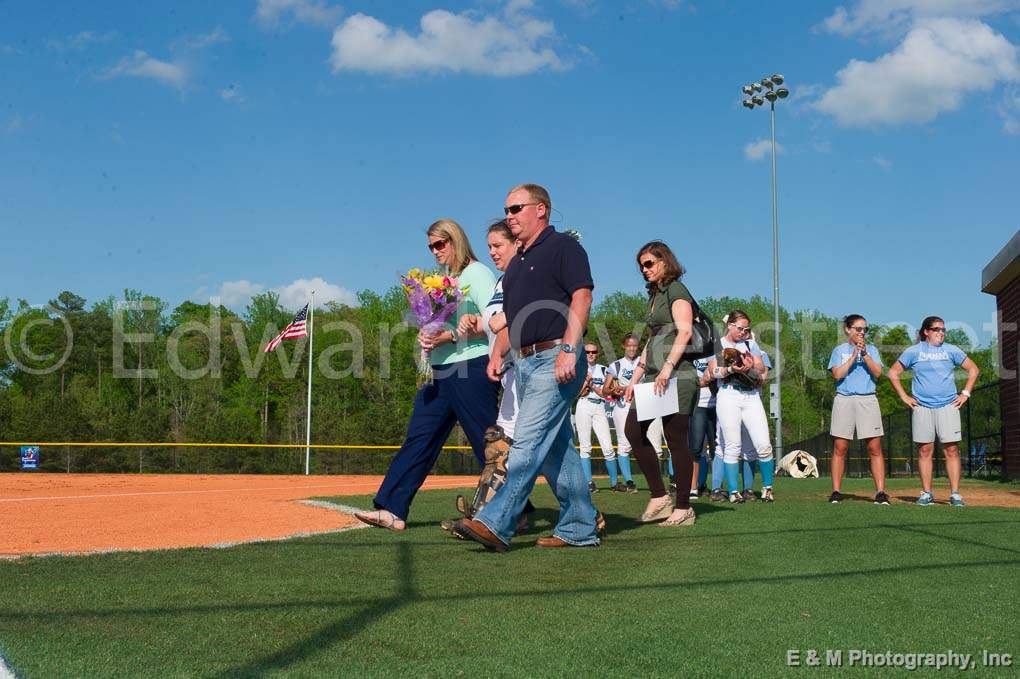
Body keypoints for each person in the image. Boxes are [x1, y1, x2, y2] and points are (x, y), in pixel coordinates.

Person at [453, 183, 601, 550]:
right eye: (507, 209)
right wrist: (498, 352)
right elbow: (512, 317)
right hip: (524, 362)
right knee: (556, 450)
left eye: (517, 208)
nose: (510, 216)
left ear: (541, 209)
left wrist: (570, 348)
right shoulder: (516, 265)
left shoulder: (565, 247)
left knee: (527, 444)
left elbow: (583, 296)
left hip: (556, 356)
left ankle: (495, 523)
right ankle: (580, 525)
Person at [355, 220, 498, 531]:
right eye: (431, 247)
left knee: (486, 442)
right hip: (441, 370)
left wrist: (449, 337)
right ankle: (392, 508)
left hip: (472, 367)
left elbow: (497, 319)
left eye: (440, 244)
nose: (435, 251)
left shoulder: (477, 273)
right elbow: (444, 324)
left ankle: (516, 508)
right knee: (420, 437)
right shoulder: (443, 281)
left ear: (456, 241)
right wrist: (429, 334)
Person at [443, 220, 536, 532]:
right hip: (512, 373)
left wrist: (494, 350)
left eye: (498, 246)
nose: (492, 253)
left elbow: (513, 321)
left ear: (516, 244)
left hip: (532, 368)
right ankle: (487, 517)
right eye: (490, 247)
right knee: (499, 449)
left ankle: (586, 515)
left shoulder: (523, 276)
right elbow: (494, 320)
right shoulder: (503, 281)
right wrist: (476, 320)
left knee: (547, 451)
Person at [623, 241, 700, 527]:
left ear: (665, 262)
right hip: (657, 377)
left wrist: (667, 367)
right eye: (641, 265)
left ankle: (683, 508)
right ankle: (659, 496)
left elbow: (685, 332)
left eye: (649, 264)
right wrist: (634, 377)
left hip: (678, 375)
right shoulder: (655, 295)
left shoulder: (676, 290)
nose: (644, 270)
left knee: (676, 440)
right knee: (633, 430)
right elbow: (654, 339)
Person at [888, 316, 980, 507]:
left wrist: (965, 393)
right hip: (922, 407)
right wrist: (904, 397)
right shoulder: (914, 351)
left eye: (943, 329)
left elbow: (973, 369)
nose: (941, 333)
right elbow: (893, 372)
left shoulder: (951, 350)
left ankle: (955, 494)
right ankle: (927, 493)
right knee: (924, 450)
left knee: (952, 450)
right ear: (926, 332)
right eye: (937, 329)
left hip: (948, 405)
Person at [707, 310, 775, 504]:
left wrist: (750, 365)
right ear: (729, 325)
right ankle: (734, 491)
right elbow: (713, 372)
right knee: (733, 446)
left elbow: (761, 370)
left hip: (751, 396)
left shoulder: (750, 343)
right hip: (729, 395)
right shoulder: (718, 344)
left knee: (763, 444)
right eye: (740, 328)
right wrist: (730, 369)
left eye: (747, 329)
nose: (744, 332)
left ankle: (767, 488)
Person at [827, 314, 889, 505]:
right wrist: (854, 356)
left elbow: (878, 373)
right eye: (858, 329)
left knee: (874, 447)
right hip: (844, 399)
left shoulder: (872, 350)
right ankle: (836, 491)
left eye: (865, 330)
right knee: (840, 447)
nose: (862, 333)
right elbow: (837, 374)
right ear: (848, 329)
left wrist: (865, 354)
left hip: (867, 399)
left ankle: (880, 492)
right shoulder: (839, 351)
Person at [575, 342, 618, 493]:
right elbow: (576, 395)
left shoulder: (604, 369)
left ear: (597, 353)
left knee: (607, 446)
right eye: (587, 352)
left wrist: (592, 385)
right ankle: (588, 483)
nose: (591, 354)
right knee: (585, 447)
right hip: (583, 405)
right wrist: (585, 383)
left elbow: (606, 394)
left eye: (594, 351)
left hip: (600, 406)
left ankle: (614, 483)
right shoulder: (577, 368)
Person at [604, 334, 641, 493]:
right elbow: (606, 389)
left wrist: (627, 388)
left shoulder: (643, 362)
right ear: (624, 347)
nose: (632, 348)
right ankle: (629, 481)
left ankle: (664, 481)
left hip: (643, 405)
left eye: (634, 346)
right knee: (623, 443)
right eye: (629, 346)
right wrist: (614, 390)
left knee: (648, 443)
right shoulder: (616, 365)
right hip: (623, 407)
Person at [688, 355, 717, 499]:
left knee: (717, 449)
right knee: (696, 448)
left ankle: (717, 487)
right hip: (698, 406)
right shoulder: (690, 353)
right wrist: (698, 381)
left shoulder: (715, 351)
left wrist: (708, 379)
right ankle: (693, 487)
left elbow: (717, 374)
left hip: (716, 405)